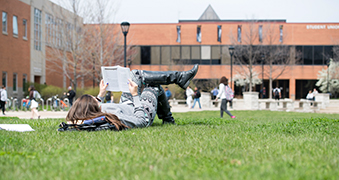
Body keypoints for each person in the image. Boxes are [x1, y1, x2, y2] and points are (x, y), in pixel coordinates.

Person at [64, 65, 199, 130]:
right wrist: (135, 96)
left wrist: (101, 94)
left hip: (127, 104)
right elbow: (140, 121)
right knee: (153, 87)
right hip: (139, 109)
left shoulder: (94, 112)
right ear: (92, 108)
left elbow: (93, 106)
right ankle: (168, 119)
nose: (97, 99)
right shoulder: (112, 117)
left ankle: (179, 78)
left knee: (135, 74)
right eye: (95, 100)